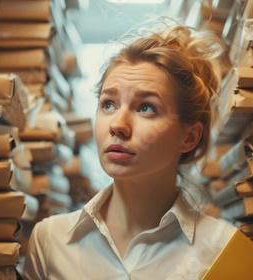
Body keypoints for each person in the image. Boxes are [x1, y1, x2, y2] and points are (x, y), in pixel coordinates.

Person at [22, 21, 236, 280]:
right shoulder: (49, 242)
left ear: (189, 137)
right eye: (108, 104)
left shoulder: (224, 249)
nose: (117, 125)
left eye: (146, 107)